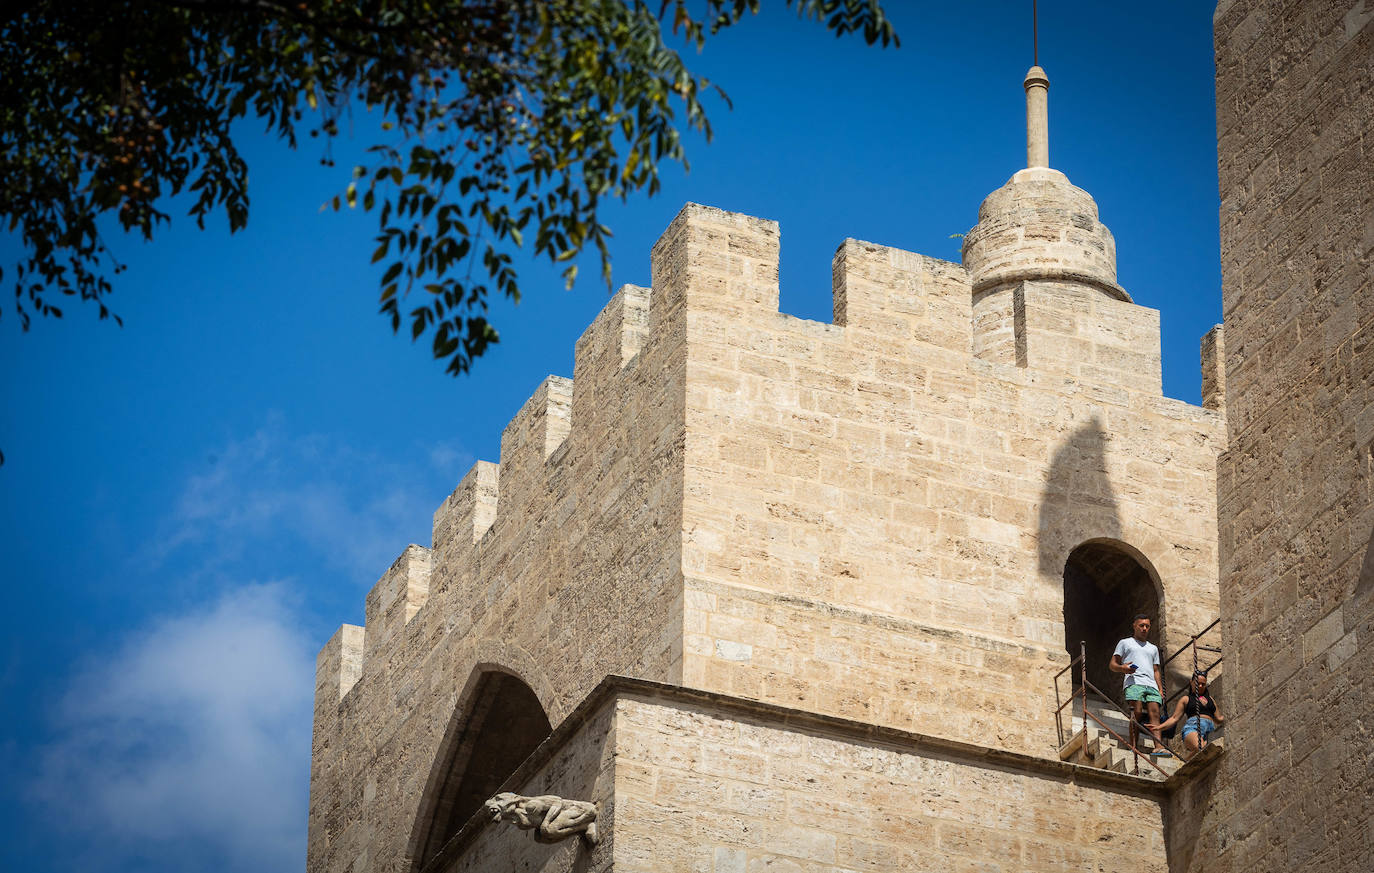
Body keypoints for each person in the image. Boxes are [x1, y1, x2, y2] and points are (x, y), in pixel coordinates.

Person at [1110, 614, 1167, 753]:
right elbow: (1112, 664)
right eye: (1141, 625)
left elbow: (1156, 670)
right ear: (1135, 626)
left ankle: (1158, 747)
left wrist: (1160, 688)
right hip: (1134, 682)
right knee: (1137, 712)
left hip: (1151, 684)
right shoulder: (1125, 643)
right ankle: (1133, 746)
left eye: (1147, 626)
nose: (1144, 628)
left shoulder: (1153, 648)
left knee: (1155, 713)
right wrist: (1122, 668)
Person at [1159, 670, 1224, 757]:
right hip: (1193, 727)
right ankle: (1185, 763)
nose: (1200, 686)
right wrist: (1159, 727)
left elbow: (1219, 719)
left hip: (1209, 729)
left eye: (1203, 684)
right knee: (1201, 747)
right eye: (1198, 683)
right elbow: (1174, 718)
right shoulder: (1186, 699)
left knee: (1206, 751)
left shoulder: (1210, 699)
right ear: (1191, 682)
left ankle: (1185, 761)